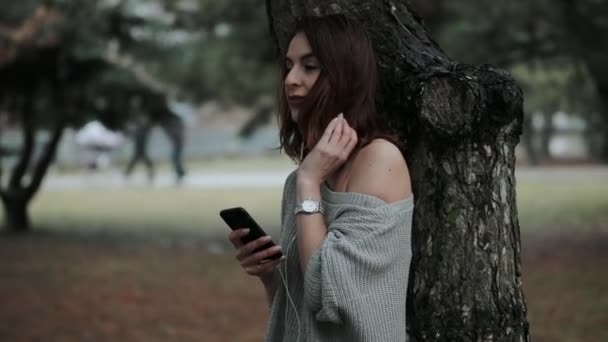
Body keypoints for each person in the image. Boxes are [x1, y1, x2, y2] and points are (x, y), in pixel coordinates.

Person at [228, 14, 414, 341]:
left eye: (309, 67)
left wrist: (310, 181)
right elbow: (298, 314)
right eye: (289, 66)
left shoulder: (378, 160)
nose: (290, 80)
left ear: (345, 77)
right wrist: (273, 276)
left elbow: (327, 294)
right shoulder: (298, 182)